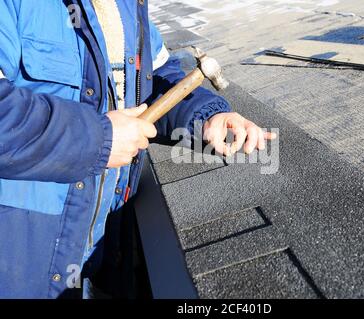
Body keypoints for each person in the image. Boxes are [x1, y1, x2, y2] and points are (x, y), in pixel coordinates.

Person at [0, 0, 276, 298]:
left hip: (96, 253)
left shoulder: (128, 6)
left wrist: (207, 116)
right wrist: (99, 140)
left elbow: (155, 78)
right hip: (21, 264)